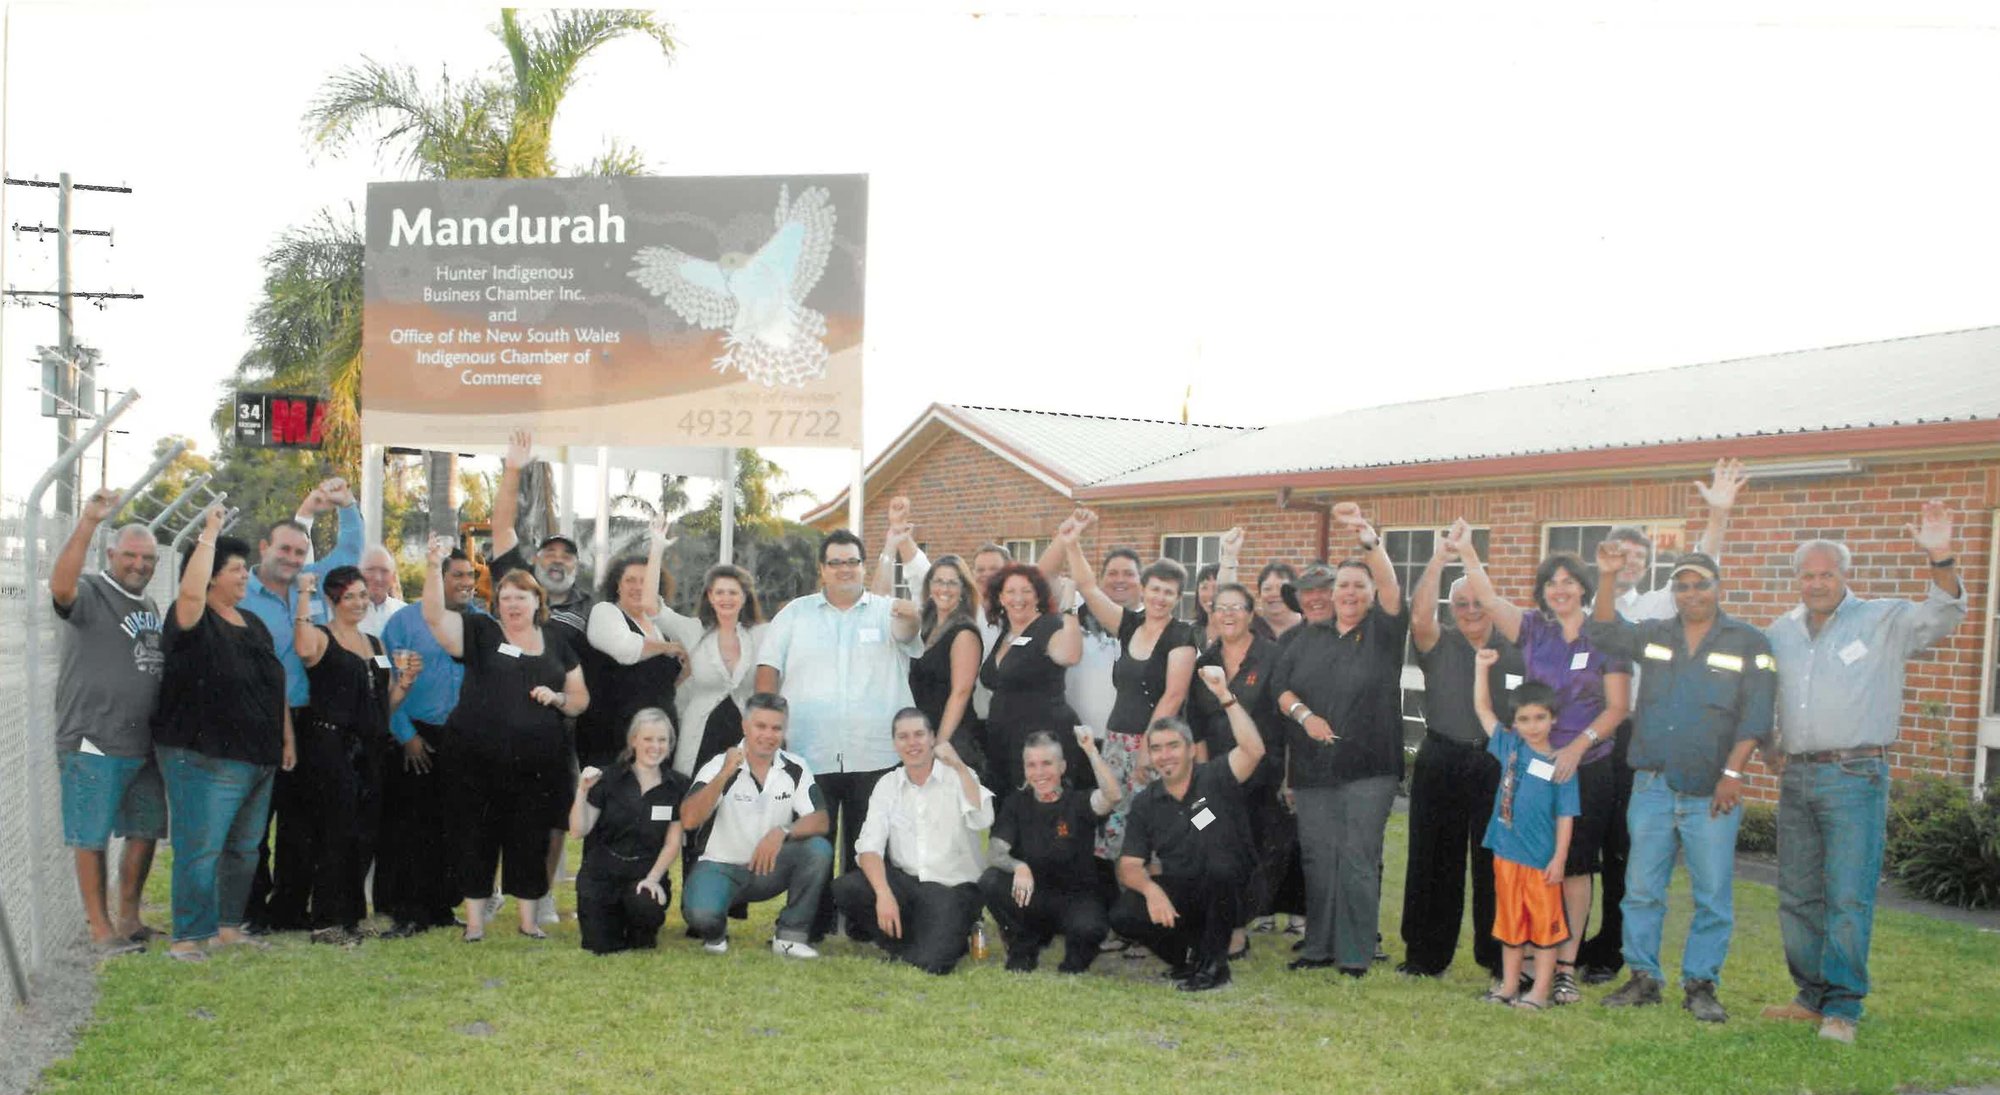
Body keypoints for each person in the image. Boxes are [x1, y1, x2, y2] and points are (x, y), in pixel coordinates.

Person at [1761, 502, 1968, 1044]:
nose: (1817, 583)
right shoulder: (1781, 631)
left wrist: (1939, 553)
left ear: (1844, 576)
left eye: (1827, 573)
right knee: (1798, 894)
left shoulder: (1884, 619)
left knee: (1848, 894)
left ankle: (1843, 1008)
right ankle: (1810, 997)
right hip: (1797, 777)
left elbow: (1945, 613)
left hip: (1855, 776)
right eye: (1808, 575)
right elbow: (1761, 693)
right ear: (1797, 581)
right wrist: (1767, 743)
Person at [1585, 544, 1776, 1022]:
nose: (1691, 593)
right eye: (1683, 586)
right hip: (1652, 786)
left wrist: (1733, 773)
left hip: (1712, 792)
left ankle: (1701, 984)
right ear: (1674, 593)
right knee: (1642, 889)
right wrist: (1607, 577)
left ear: (1718, 587)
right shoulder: (1655, 635)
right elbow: (1605, 630)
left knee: (1712, 895)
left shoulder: (1749, 641)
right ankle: (1643, 978)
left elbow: (1756, 715)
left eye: (1700, 584)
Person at [1578, 457, 1748, 985]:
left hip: (1641, 736)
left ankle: (1612, 954)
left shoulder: (1659, 604)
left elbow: (1706, 562)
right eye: (1619, 553)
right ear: (1603, 556)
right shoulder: (1579, 602)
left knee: (1631, 852)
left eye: (1638, 555)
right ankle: (1568, 947)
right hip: (1586, 736)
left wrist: (1717, 515)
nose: (1628, 561)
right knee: (1585, 845)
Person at [1450, 527, 1631, 1005]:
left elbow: (1616, 708)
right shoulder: (1532, 629)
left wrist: (1577, 747)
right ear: (1543, 591)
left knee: (1573, 867)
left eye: (1570, 581)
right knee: (1529, 862)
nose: (1561, 589)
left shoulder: (1607, 635)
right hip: (1533, 764)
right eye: (1552, 582)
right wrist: (1468, 549)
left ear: (1584, 588)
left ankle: (1566, 966)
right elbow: (1486, 596)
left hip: (1587, 765)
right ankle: (1528, 964)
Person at [755, 527, 923, 941]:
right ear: (822, 570)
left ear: (864, 567)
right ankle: (811, 923)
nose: (845, 569)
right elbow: (767, 671)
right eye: (836, 562)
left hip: (877, 753)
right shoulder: (794, 614)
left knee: (870, 843)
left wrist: (913, 613)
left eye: (853, 562)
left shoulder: (889, 613)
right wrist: (763, 730)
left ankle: (865, 926)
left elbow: (911, 631)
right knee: (815, 843)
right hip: (811, 751)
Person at [421, 535, 588, 942]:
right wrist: (431, 566)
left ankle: (528, 922)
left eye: (522, 597)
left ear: (537, 602)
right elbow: (435, 619)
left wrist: (559, 698)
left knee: (530, 840)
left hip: (536, 766)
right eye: (506, 597)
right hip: (474, 760)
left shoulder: (558, 643)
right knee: (475, 837)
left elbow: (581, 698)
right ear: (497, 603)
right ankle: (475, 924)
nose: (513, 604)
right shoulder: (480, 631)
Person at [153, 503, 296, 962]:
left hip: (258, 756)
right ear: (210, 575)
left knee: (244, 849)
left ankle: (227, 927)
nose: (243, 578)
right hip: (203, 755)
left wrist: (286, 739)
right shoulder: (191, 619)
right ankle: (188, 937)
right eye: (235, 570)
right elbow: (190, 595)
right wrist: (210, 532)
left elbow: (276, 687)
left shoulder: (251, 623)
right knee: (201, 849)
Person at [1270, 504, 1406, 977]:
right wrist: (1304, 716)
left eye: (1357, 585)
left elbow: (1391, 586)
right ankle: (1318, 947)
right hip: (1312, 771)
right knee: (1319, 859)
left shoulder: (1384, 632)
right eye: (1341, 585)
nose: (1347, 592)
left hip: (1369, 768)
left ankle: (1355, 953)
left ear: (1370, 594)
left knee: (1357, 858)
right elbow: (1280, 690)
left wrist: (1371, 543)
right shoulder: (1308, 637)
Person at [1399, 521, 1524, 979]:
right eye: (1461, 604)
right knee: (1432, 859)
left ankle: (1497, 957)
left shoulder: (1514, 648)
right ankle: (1425, 956)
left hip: (1496, 762)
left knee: (1496, 862)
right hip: (1442, 758)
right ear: (1451, 609)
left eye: (1478, 602)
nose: (1471, 610)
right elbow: (1418, 615)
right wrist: (1440, 557)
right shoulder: (1439, 642)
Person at [240, 477, 365, 932]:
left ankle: (287, 910)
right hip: (255, 721)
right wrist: (305, 509)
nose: (292, 559)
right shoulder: (240, 594)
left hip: (306, 722)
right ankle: (250, 909)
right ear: (263, 548)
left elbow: (351, 553)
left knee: (297, 824)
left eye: (299, 552)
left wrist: (346, 505)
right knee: (253, 826)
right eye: (284, 550)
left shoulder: (306, 587)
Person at [50, 487, 165, 955]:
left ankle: (129, 919)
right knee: (91, 835)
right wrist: (89, 522)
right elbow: (60, 588)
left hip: (143, 743)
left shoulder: (150, 607)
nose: (139, 564)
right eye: (131, 556)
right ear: (113, 555)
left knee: (146, 830)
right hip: (93, 739)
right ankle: (100, 930)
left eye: (148, 558)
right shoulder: (94, 592)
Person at [1109, 666, 1268, 992]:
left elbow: (1254, 750)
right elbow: (1128, 868)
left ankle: (1214, 966)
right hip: (1185, 887)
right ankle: (1187, 959)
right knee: (1125, 913)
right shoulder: (1146, 803)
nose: (1165, 755)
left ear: (1192, 750)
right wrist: (1152, 891)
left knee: (1219, 868)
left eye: (1173, 746)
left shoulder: (1216, 776)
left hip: (1234, 888)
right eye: (1156, 748)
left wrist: (1225, 695)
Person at [288, 566, 417, 944]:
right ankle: (326, 920)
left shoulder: (375, 645)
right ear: (332, 601)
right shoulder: (320, 637)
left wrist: (404, 686)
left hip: (371, 749)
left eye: (363, 595)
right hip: (330, 748)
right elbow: (301, 647)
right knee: (335, 833)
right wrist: (303, 595)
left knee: (365, 834)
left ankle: (352, 916)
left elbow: (383, 706)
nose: (359, 603)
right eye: (350, 597)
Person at [1066, 511, 1198, 866]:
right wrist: (1073, 541)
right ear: (1145, 589)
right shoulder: (1128, 624)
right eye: (1155, 589)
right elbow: (1089, 587)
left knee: (1153, 826)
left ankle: (1156, 908)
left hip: (1156, 745)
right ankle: (1122, 907)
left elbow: (1174, 695)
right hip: (1115, 741)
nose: (1160, 598)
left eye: (1169, 593)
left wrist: (1148, 748)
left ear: (1177, 597)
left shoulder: (1182, 635)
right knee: (1114, 823)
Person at [1186, 579, 1298, 960]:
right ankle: (1223, 926)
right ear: (1211, 614)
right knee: (1211, 845)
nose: (1228, 614)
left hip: (1264, 775)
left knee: (1259, 854)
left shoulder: (1274, 657)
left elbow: (1287, 723)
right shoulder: (1203, 663)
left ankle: (1239, 925)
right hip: (1215, 777)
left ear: (1251, 615)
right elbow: (1196, 724)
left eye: (1237, 607)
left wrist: (1289, 778)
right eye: (1221, 607)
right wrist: (1199, 782)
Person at [835, 709, 994, 973]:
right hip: (908, 884)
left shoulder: (959, 776)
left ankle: (939, 940)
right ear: (895, 744)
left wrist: (959, 766)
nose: (912, 743)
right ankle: (920, 941)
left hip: (952, 887)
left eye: (919, 734)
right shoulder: (888, 785)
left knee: (934, 964)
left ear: (933, 738)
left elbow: (982, 819)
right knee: (847, 888)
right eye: (903, 737)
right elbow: (868, 848)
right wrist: (884, 894)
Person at [678, 693, 833, 957]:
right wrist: (725, 774)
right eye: (760, 726)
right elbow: (689, 818)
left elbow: (821, 820)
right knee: (701, 915)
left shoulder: (795, 767)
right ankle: (715, 936)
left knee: (818, 849)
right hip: (720, 867)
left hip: (767, 868)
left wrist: (782, 831)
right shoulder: (718, 764)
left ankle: (790, 936)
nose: (768, 735)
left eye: (776, 728)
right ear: (745, 726)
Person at [375, 547, 479, 936]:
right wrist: (406, 735)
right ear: (437, 578)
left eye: (470, 576)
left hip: (462, 739)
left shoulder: (481, 622)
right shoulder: (402, 623)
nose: (466, 583)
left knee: (453, 824)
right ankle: (407, 909)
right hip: (415, 733)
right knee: (410, 826)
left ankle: (440, 905)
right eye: (457, 576)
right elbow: (385, 680)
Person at [1470, 648, 1578, 1011]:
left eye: (1540, 717)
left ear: (1553, 720)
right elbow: (1483, 709)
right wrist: (1481, 668)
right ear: (1514, 723)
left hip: (1540, 861)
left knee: (1545, 930)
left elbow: (1566, 815)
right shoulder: (1509, 747)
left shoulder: (1561, 764)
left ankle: (1540, 992)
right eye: (1524, 719)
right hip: (1506, 853)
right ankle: (1509, 985)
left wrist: (1560, 858)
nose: (1532, 725)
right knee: (1511, 925)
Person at [980, 728, 1122, 973]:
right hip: (1032, 896)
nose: (1039, 772)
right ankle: (1023, 945)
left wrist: (1091, 751)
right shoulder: (1016, 803)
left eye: (1047, 763)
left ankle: (1075, 958)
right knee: (990, 881)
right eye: (1031, 765)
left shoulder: (1079, 802)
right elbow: (994, 852)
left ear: (1062, 767)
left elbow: (1113, 795)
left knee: (1090, 929)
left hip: (1076, 897)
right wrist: (1019, 866)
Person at [570, 708, 688, 955]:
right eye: (648, 739)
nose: (655, 746)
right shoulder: (606, 779)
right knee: (600, 945)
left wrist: (653, 879)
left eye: (662, 740)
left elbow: (672, 843)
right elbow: (578, 831)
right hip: (601, 875)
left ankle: (640, 925)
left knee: (644, 913)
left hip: (644, 874)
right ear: (633, 740)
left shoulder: (677, 786)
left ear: (670, 744)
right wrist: (581, 791)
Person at [979, 562, 1085, 795]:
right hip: (1004, 743)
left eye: (1027, 591)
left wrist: (1070, 606)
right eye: (1011, 592)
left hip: (1041, 747)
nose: (1019, 598)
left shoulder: (1048, 626)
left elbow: (1071, 654)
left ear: (1038, 596)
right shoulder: (1007, 633)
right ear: (1001, 598)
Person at [581, 539, 685, 771]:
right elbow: (626, 650)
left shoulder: (663, 628)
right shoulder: (605, 612)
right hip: (612, 741)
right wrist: (670, 647)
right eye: (630, 580)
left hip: (658, 743)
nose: (639, 587)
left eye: (646, 581)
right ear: (617, 585)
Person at [905, 549, 987, 774]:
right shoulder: (926, 628)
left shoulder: (964, 633)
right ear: (930, 586)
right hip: (922, 737)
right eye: (939, 581)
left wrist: (939, 745)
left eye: (952, 583)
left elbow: (960, 693)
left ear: (963, 590)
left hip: (951, 742)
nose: (944, 588)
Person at [356, 545, 406, 638]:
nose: (377, 578)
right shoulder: (343, 613)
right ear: (358, 573)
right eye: (370, 570)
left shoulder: (404, 613)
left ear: (393, 577)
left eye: (384, 571)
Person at [1254, 561, 1303, 643]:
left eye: (1281, 588)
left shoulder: (1309, 630)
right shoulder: (1250, 632)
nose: (1275, 594)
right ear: (1259, 594)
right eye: (1267, 589)